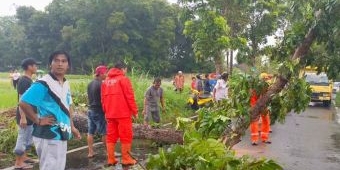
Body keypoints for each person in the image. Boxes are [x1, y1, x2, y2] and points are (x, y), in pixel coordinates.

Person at [19, 51, 81, 170]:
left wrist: (72, 127)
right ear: (50, 64)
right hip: (48, 134)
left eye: (63, 61)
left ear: (68, 65)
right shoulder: (43, 83)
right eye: (56, 61)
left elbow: (68, 106)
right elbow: (23, 102)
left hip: (62, 132)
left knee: (58, 167)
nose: (60, 64)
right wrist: (37, 120)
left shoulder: (65, 83)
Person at [101, 61, 138, 166]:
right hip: (123, 114)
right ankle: (126, 159)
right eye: (126, 69)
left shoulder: (105, 81)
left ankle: (111, 159)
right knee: (126, 136)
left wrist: (106, 111)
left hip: (110, 114)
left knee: (111, 136)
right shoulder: (123, 79)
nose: (126, 72)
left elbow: (102, 99)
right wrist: (135, 111)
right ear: (122, 69)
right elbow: (129, 96)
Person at [13, 58, 38, 169]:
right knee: (22, 138)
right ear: (29, 67)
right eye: (35, 65)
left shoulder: (29, 80)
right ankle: (18, 163)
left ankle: (24, 157)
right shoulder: (24, 81)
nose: (36, 67)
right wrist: (23, 117)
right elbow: (22, 100)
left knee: (28, 137)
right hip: (25, 115)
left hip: (30, 114)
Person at [86, 65, 108, 158]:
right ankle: (108, 152)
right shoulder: (102, 85)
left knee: (90, 132)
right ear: (101, 74)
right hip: (99, 111)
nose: (106, 75)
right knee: (105, 132)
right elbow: (104, 99)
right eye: (105, 73)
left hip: (90, 110)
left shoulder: (90, 84)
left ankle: (90, 152)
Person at [249, 73, 271, 145]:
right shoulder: (256, 87)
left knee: (266, 121)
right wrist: (254, 107)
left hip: (264, 106)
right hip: (256, 106)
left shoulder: (268, 87)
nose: (267, 80)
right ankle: (254, 140)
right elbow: (252, 97)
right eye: (265, 79)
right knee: (254, 122)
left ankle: (264, 138)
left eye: (267, 79)